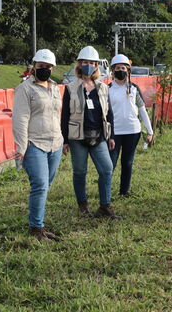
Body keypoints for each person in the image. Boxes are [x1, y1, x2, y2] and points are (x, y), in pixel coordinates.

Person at [61, 46, 119, 219]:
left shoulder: (103, 87)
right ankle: (83, 205)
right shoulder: (71, 88)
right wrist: (65, 140)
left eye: (92, 63)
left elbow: (109, 113)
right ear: (79, 65)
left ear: (96, 66)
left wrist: (111, 136)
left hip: (99, 136)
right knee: (80, 172)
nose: (89, 65)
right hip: (77, 137)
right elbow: (65, 115)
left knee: (107, 169)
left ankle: (105, 206)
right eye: (85, 62)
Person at [12, 49, 63, 242]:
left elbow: (56, 115)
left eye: (48, 67)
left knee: (46, 186)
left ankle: (38, 221)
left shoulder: (55, 87)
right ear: (34, 66)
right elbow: (20, 119)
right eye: (41, 66)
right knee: (40, 185)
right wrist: (21, 147)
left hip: (55, 143)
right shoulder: (25, 89)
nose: (45, 70)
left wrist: (62, 139)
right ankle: (36, 228)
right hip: (35, 144)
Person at [108, 54, 154, 196]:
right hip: (113, 133)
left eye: (123, 67)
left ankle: (124, 191)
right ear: (113, 70)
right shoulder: (107, 89)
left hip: (133, 131)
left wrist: (150, 130)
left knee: (127, 163)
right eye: (117, 68)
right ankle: (105, 191)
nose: (120, 70)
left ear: (128, 70)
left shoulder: (134, 88)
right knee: (110, 164)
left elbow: (142, 110)